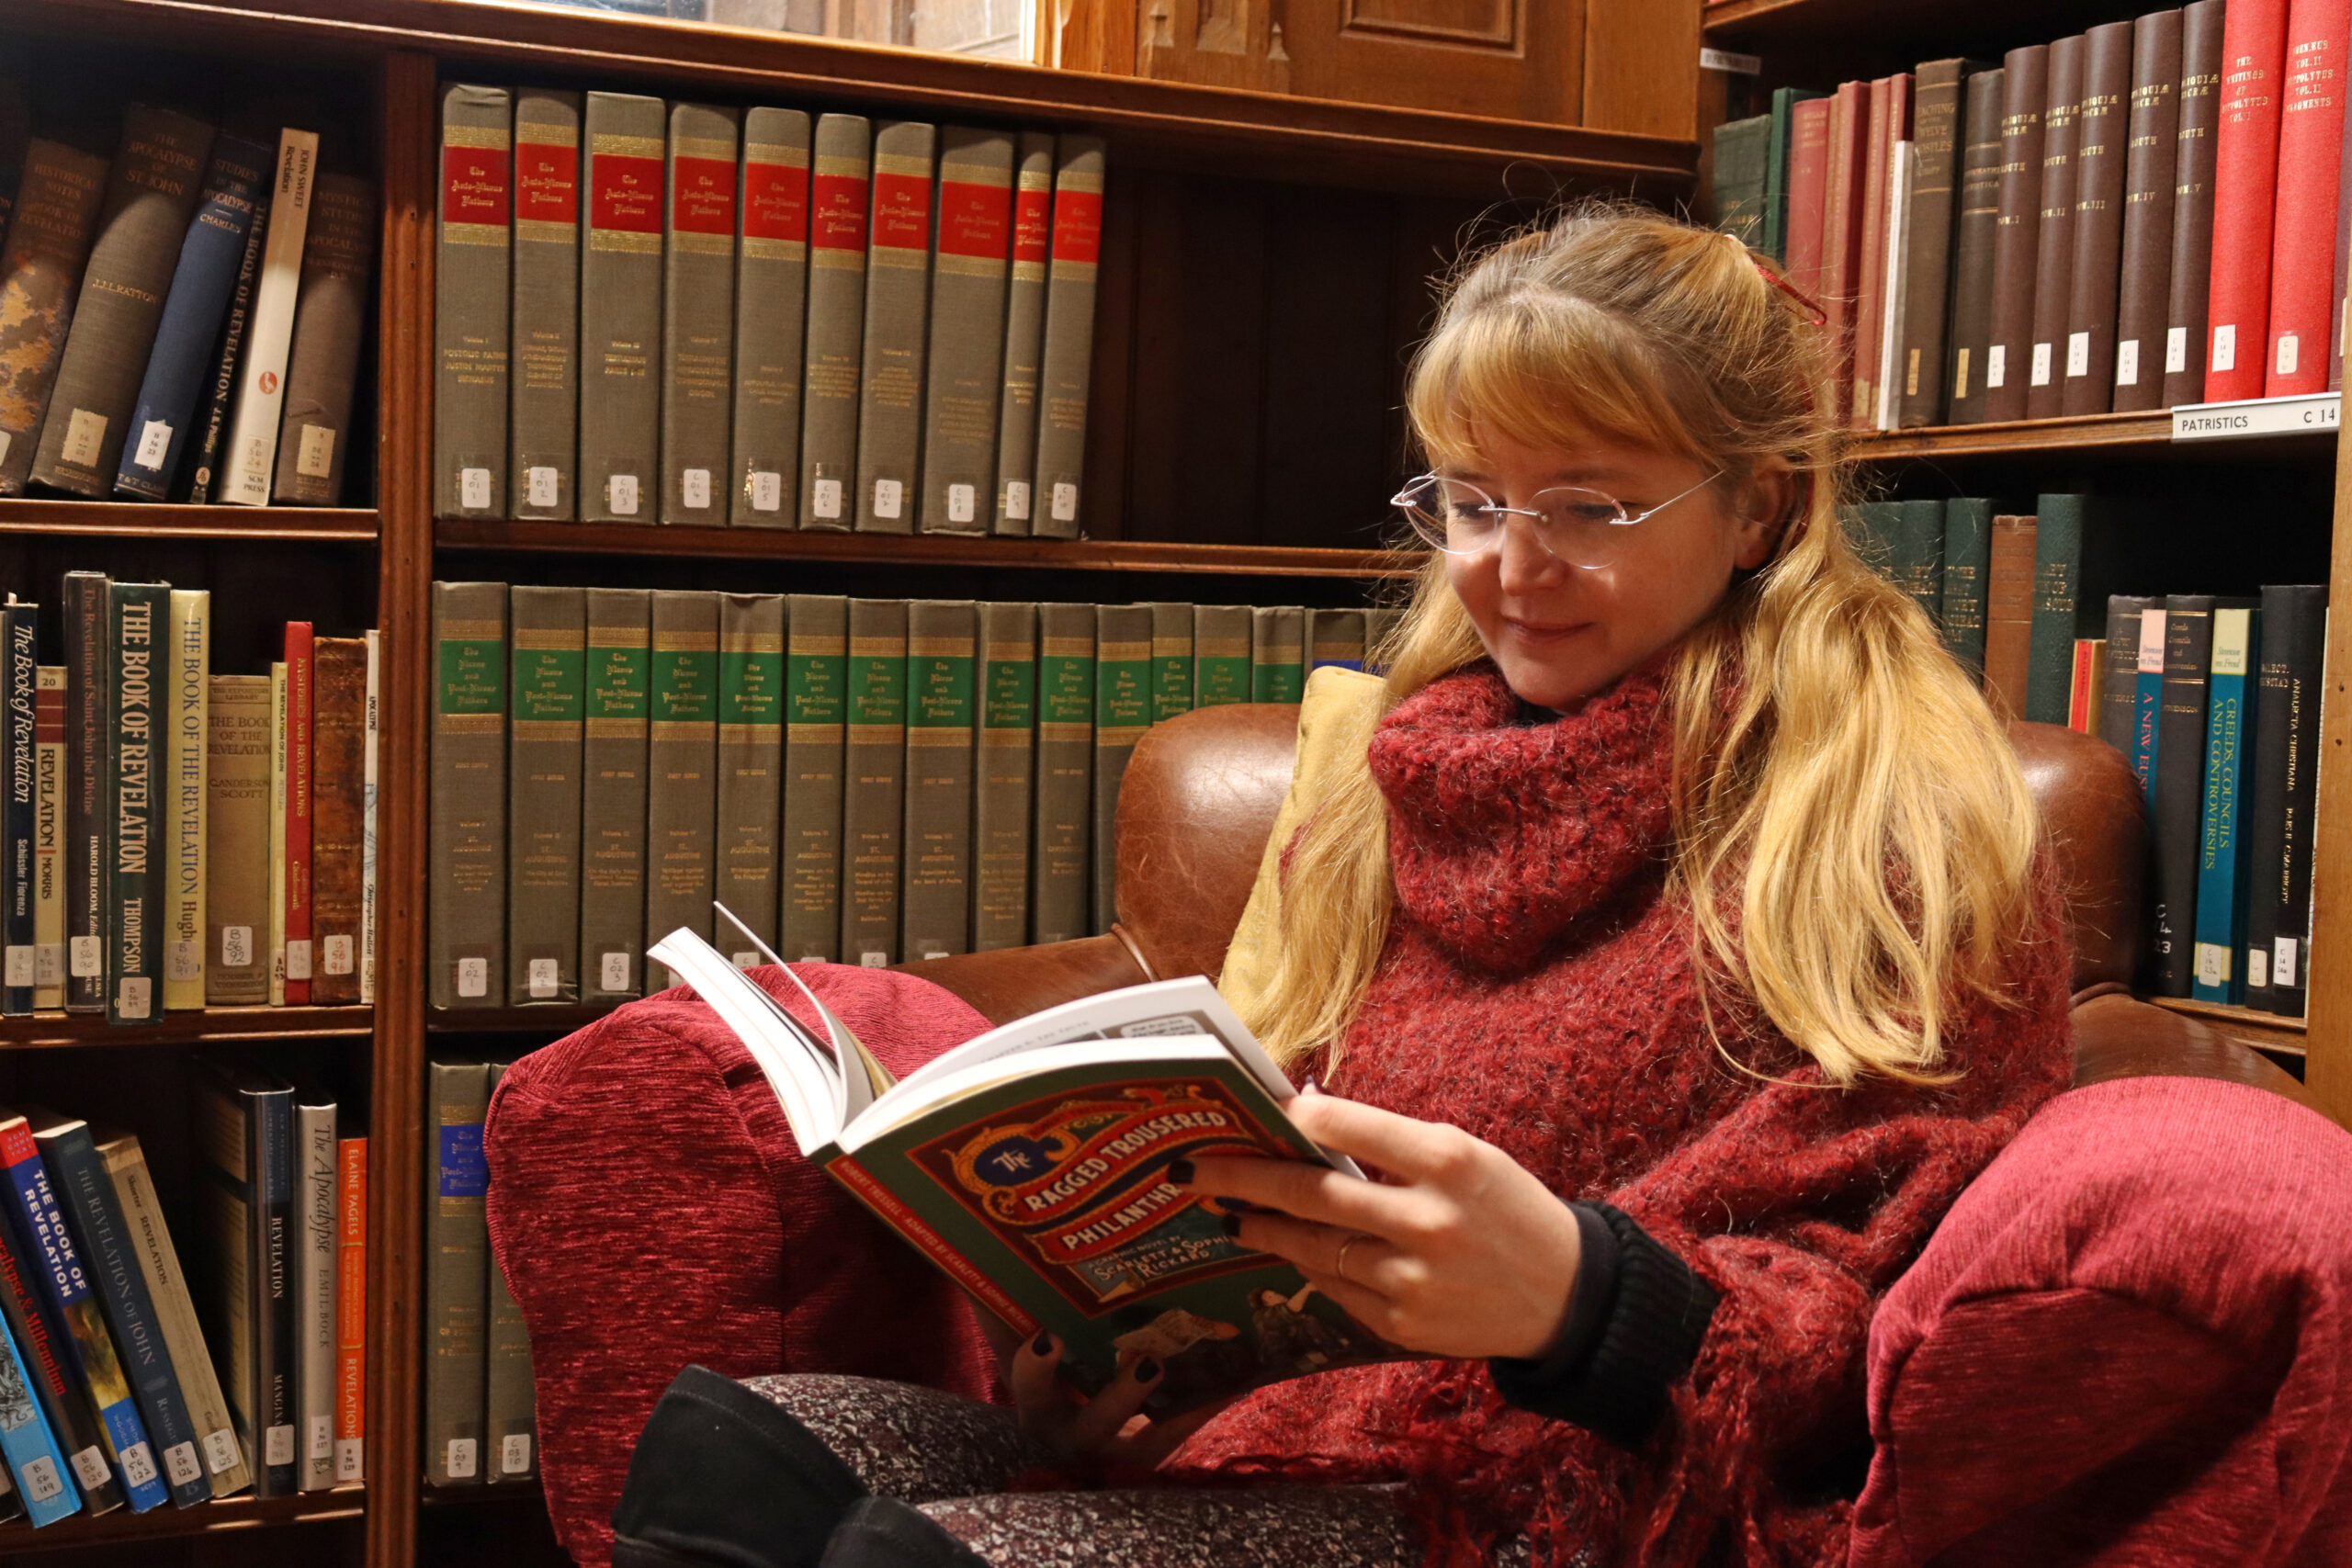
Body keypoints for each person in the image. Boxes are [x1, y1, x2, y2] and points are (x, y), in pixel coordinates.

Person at [609, 204, 2076, 1568]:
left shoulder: (1885, 827)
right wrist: (1115, 1353)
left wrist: (1584, 1299)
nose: (1511, 569)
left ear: (1757, 509)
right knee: (734, 1455)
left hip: (1570, 1490)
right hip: (1290, 1432)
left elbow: (1890, 1332)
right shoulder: (1407, 779)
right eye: (1475, 501)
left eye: (1590, 508)